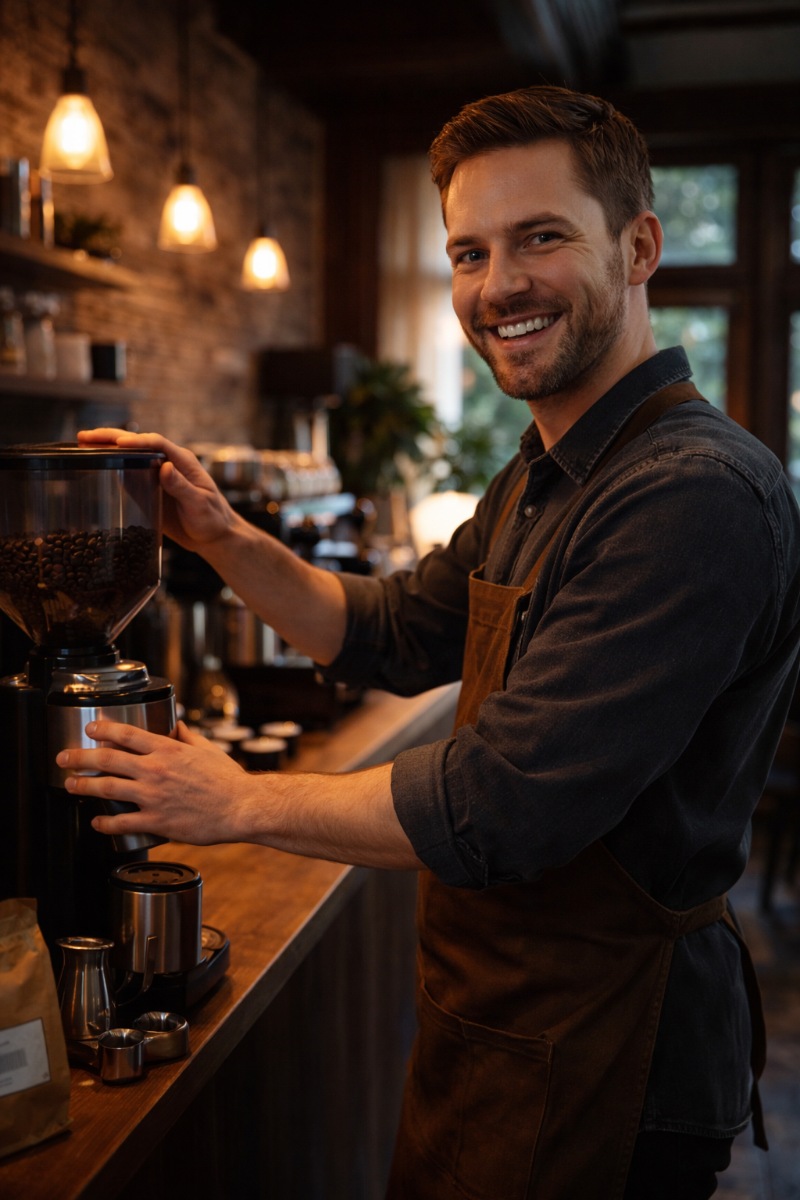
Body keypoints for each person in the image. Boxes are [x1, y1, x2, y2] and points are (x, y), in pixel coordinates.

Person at [61, 85, 800, 1200]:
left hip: (611, 1064)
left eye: (538, 238)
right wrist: (218, 534)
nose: (496, 286)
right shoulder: (548, 471)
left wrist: (239, 802)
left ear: (639, 246)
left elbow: (503, 802)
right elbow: (391, 633)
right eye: (467, 252)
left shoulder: (688, 494)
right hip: (497, 1033)